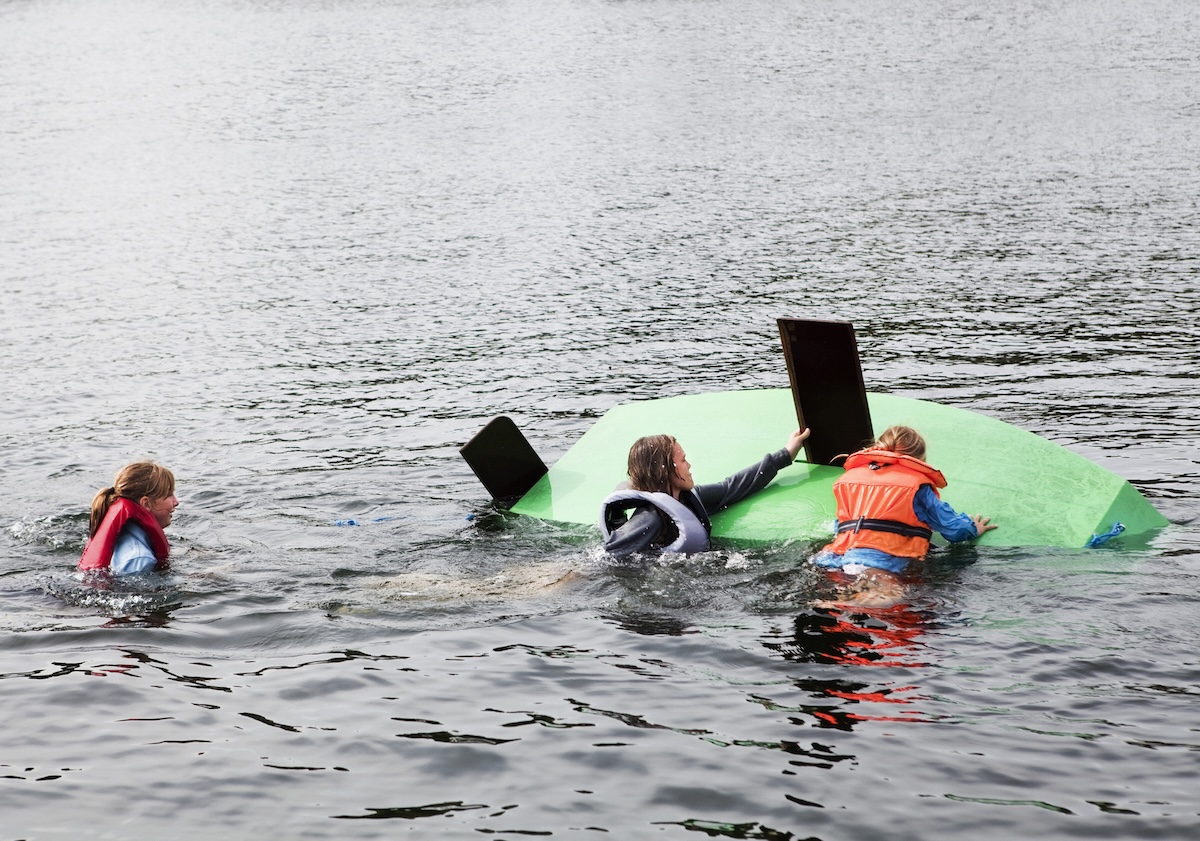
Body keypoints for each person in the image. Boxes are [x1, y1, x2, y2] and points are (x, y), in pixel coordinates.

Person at [812, 425, 995, 604]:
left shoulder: (849, 479)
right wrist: (973, 528)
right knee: (891, 598)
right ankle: (842, 601)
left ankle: (831, 601)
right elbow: (954, 530)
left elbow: (841, 525)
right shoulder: (917, 486)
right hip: (880, 561)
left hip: (834, 556)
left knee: (850, 590)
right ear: (919, 459)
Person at [600, 428, 810, 558]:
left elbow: (732, 487)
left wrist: (785, 455)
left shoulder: (692, 498)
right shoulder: (649, 519)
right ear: (664, 470)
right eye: (683, 460)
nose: (689, 465)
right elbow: (608, 557)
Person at [79, 462, 179, 575]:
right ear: (146, 504)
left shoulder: (127, 532)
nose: (176, 502)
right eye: (169, 495)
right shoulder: (140, 561)